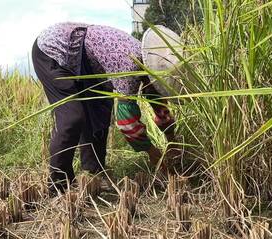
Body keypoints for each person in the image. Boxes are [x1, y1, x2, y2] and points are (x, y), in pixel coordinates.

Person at [31, 23, 182, 194]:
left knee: (100, 112)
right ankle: (58, 185)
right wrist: (152, 152)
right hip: (53, 53)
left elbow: (159, 104)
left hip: (86, 60)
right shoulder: (129, 66)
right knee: (72, 118)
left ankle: (93, 172)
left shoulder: (148, 70)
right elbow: (127, 123)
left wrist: (172, 141)